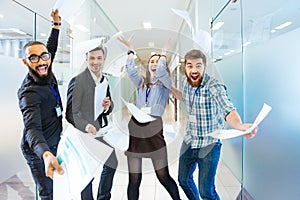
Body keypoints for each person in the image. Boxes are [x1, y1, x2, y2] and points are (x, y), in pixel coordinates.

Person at [171, 49, 258, 200]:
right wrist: (169, 88)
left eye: (198, 65)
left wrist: (239, 125)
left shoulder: (214, 86)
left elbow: (227, 108)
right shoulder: (186, 82)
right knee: (183, 180)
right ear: (185, 67)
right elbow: (183, 96)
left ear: (204, 66)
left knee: (207, 191)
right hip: (189, 140)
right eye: (190, 66)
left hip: (209, 144)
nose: (194, 70)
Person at [118, 37, 181, 200]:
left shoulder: (165, 82)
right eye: (151, 61)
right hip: (136, 129)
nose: (154, 63)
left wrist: (163, 53)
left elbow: (161, 71)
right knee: (134, 179)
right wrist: (131, 49)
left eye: (157, 61)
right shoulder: (141, 83)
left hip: (154, 130)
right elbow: (131, 71)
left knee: (163, 177)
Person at [17, 9, 64, 200]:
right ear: (25, 62)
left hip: (53, 140)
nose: (41, 62)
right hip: (38, 151)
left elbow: (50, 48)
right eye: (33, 58)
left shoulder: (46, 65)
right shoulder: (29, 93)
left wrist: (56, 25)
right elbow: (32, 128)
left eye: (44, 56)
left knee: (58, 188)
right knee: (48, 192)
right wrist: (45, 155)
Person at [65, 45, 117, 200]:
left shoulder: (104, 80)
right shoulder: (77, 81)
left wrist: (108, 107)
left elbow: (109, 104)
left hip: (99, 131)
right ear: (86, 59)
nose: (96, 62)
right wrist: (86, 126)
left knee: (111, 162)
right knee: (87, 172)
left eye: (99, 58)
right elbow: (70, 113)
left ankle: (103, 197)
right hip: (84, 133)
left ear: (104, 59)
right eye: (92, 58)